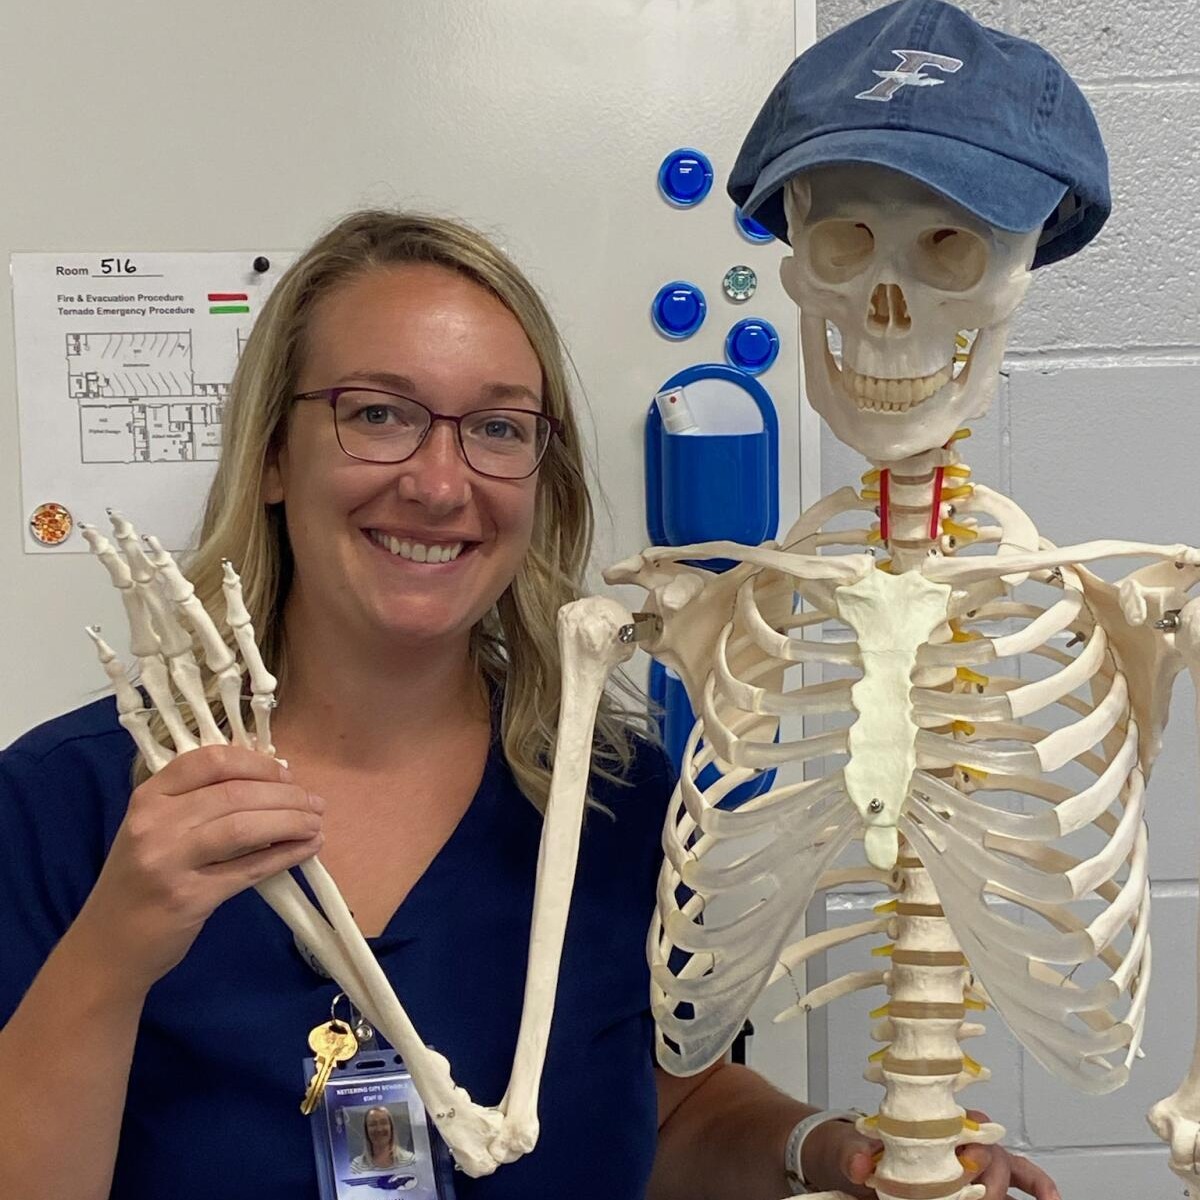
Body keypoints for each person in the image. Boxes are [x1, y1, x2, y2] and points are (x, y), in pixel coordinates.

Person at [0, 210, 1058, 1200]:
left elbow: (667, 1106)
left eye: (500, 429)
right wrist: (112, 951)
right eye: (378, 414)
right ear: (275, 453)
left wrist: (826, 1151)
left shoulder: (618, 798)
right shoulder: (73, 805)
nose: (440, 481)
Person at [350, 1106, 416, 1173]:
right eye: (372, 1124)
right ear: (366, 1130)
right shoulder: (357, 1166)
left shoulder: (410, 1161)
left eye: (383, 1123)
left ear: (391, 1128)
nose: (379, 1129)